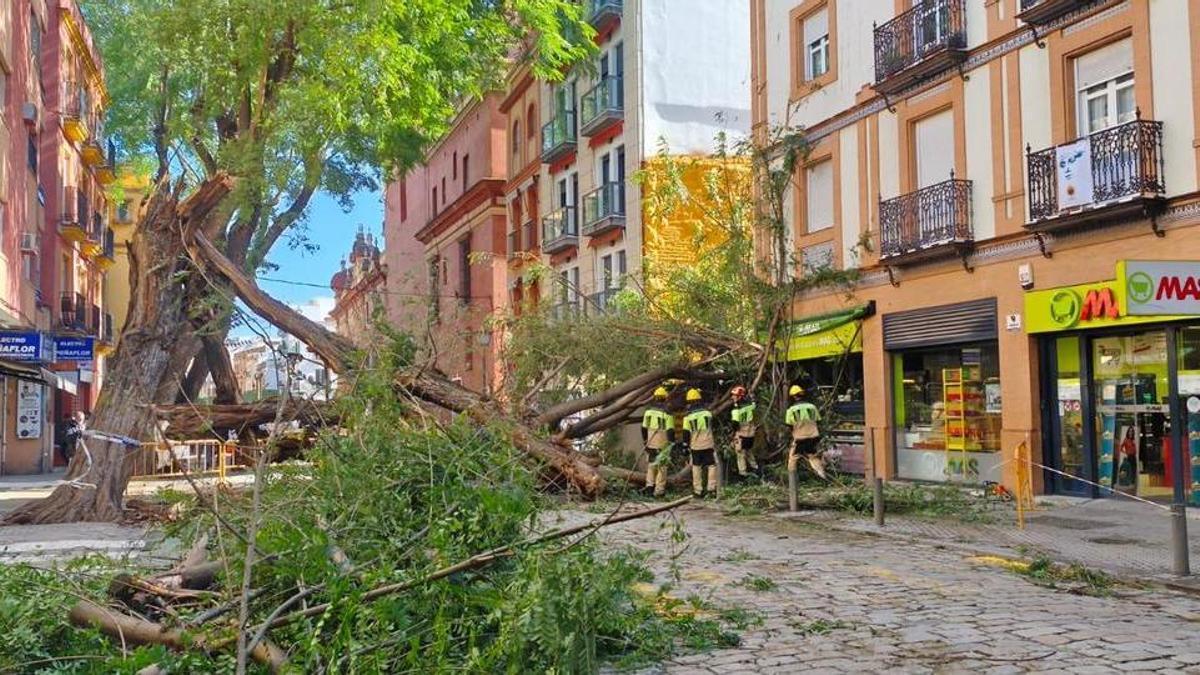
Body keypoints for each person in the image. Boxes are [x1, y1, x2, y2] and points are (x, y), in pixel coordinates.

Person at [675, 388, 718, 498]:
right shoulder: (707, 414)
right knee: (711, 465)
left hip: (695, 446)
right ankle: (711, 489)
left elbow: (686, 434)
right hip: (708, 444)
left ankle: (698, 491)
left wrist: (685, 446)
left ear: (689, 402)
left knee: (696, 467)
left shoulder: (688, 418)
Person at [785, 385, 826, 480]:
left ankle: (792, 481)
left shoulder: (791, 410)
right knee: (813, 456)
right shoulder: (812, 407)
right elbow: (818, 420)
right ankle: (822, 476)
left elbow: (789, 425)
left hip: (799, 438)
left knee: (793, 458)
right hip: (813, 436)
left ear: (793, 397)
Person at [641, 386, 673, 498]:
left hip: (650, 442)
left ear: (654, 398)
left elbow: (643, 428)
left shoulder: (648, 412)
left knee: (651, 465)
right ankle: (659, 490)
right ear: (665, 398)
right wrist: (670, 443)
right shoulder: (667, 413)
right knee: (662, 467)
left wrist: (645, 441)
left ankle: (649, 487)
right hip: (663, 444)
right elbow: (670, 431)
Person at [729, 385, 760, 479]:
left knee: (740, 454)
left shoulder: (736, 410)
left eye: (734, 395)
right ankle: (756, 469)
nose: (732, 397)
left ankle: (743, 474)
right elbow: (755, 403)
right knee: (749, 452)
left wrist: (732, 433)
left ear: (739, 397)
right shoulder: (750, 406)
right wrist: (752, 396)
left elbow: (735, 423)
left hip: (741, 434)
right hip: (750, 434)